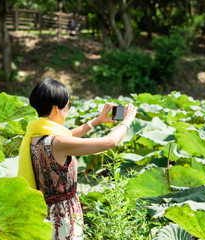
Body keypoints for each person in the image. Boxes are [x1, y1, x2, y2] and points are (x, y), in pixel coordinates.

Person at [19, 78, 137, 240]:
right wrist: (128, 120)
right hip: (63, 217)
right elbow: (109, 142)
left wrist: (96, 121)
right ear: (56, 108)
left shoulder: (34, 135)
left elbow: (68, 137)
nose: (67, 110)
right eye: (67, 106)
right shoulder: (58, 143)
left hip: (45, 212)